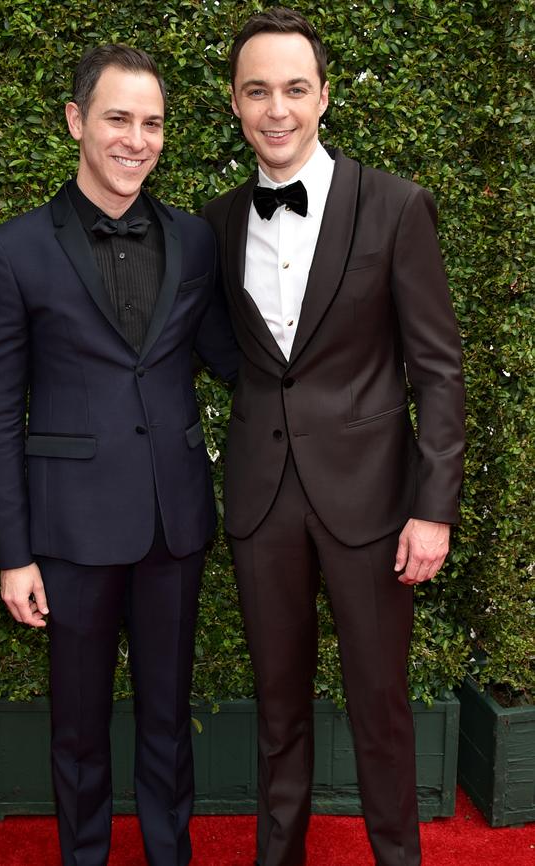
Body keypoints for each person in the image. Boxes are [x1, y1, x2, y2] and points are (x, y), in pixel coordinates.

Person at [203, 8, 465, 866]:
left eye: (294, 88)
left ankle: (398, 856)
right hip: (261, 498)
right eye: (257, 91)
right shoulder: (217, 220)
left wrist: (433, 510)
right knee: (277, 707)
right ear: (236, 104)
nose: (276, 109)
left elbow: (438, 370)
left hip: (375, 504)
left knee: (380, 705)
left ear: (323, 96)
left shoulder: (395, 205)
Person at [0, 44, 238, 866]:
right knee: (78, 728)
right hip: (70, 535)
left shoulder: (195, 242)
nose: (138, 138)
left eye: (153, 122)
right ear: (77, 121)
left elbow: (237, 362)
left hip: (173, 524)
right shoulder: (14, 250)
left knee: (167, 719)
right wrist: (13, 556)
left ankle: (169, 855)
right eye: (119, 118)